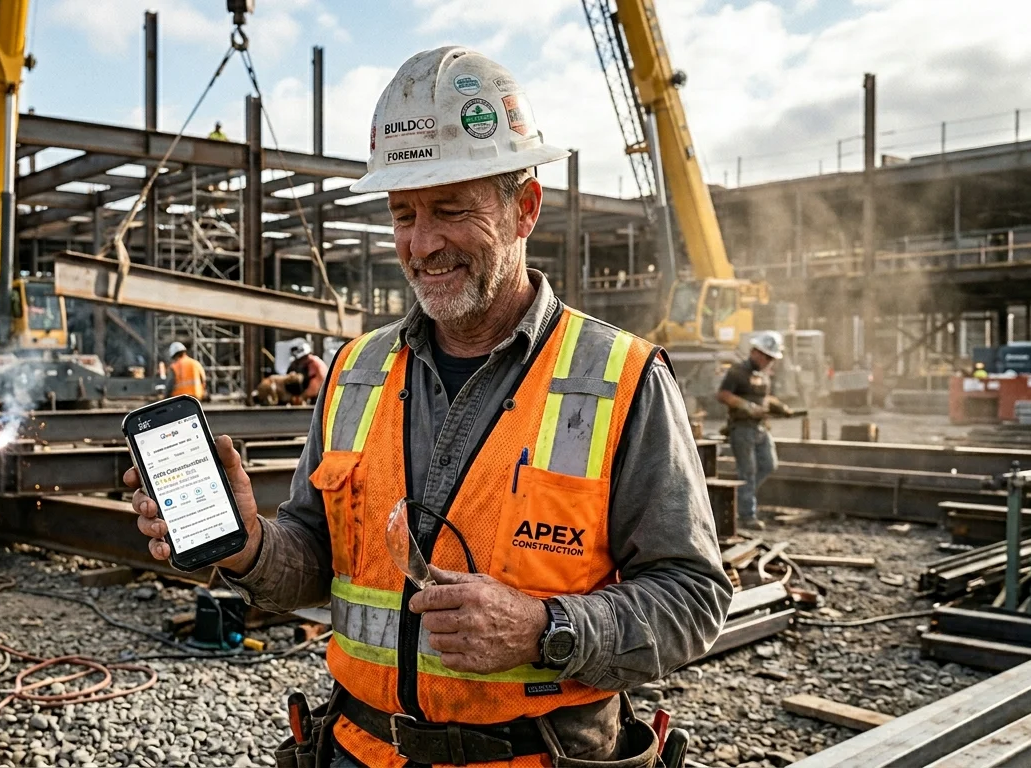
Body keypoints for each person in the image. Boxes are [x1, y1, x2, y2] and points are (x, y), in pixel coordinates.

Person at [126, 47, 730, 767]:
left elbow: (693, 596)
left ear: (525, 209)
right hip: (359, 750)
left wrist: (545, 627)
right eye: (403, 213)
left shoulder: (621, 377)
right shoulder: (355, 371)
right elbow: (316, 557)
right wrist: (248, 543)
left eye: (450, 210)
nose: (423, 243)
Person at [716, 332, 793, 528]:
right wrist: (747, 406)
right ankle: (746, 515)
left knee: (768, 464)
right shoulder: (737, 371)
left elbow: (765, 399)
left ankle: (740, 495)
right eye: (767, 357)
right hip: (742, 429)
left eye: (771, 359)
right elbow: (723, 394)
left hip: (760, 428)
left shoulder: (763, 376)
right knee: (748, 472)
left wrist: (779, 407)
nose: (769, 362)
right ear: (756, 353)